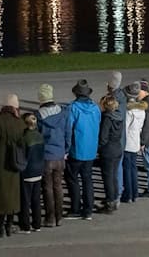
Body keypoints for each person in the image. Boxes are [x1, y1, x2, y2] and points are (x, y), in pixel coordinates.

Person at [0, 95, 24, 237]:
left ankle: (0, 227)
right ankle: (9, 225)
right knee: (12, 196)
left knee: (0, 196)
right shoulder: (20, 122)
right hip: (15, 163)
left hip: (0, 163)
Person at [65, 80, 100, 220]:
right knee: (87, 179)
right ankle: (88, 208)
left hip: (76, 148)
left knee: (72, 179)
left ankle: (75, 207)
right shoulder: (95, 108)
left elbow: (68, 129)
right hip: (90, 149)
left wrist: (66, 148)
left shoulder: (72, 108)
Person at [35, 84, 68, 228]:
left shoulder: (39, 115)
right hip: (60, 155)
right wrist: (66, 149)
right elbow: (67, 133)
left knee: (47, 188)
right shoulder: (62, 112)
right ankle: (59, 216)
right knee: (58, 186)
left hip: (47, 156)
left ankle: (50, 217)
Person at [19, 113, 45, 233]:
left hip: (27, 172)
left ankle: (25, 225)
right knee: (36, 200)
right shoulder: (40, 136)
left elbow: (23, 156)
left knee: (25, 200)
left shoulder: (24, 138)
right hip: (38, 170)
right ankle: (37, 224)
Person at [97, 94, 123, 214]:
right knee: (113, 176)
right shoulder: (119, 117)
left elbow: (103, 137)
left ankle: (110, 201)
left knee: (108, 178)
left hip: (108, 150)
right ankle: (114, 198)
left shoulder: (107, 118)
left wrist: (99, 148)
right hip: (117, 147)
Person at [104, 71, 127, 205]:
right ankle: (117, 192)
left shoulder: (113, 100)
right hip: (121, 138)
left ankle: (115, 194)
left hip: (114, 141)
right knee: (118, 167)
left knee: (114, 170)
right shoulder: (122, 96)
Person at [121, 82, 146, 203]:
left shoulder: (128, 111)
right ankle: (135, 193)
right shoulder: (141, 110)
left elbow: (125, 128)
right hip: (135, 140)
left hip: (127, 142)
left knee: (127, 168)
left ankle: (128, 193)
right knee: (133, 168)